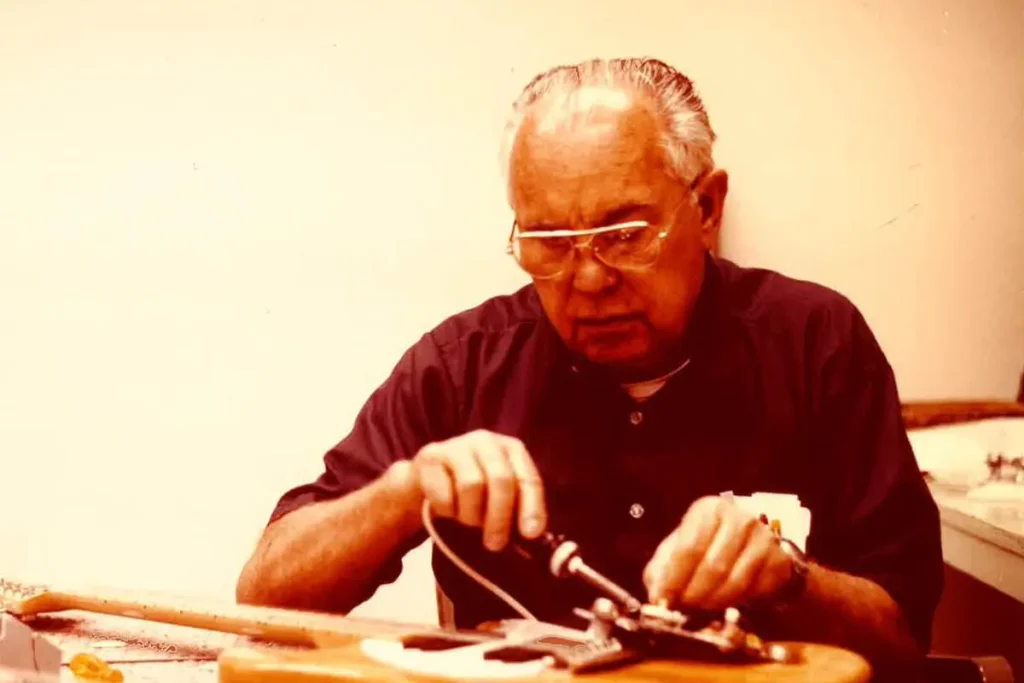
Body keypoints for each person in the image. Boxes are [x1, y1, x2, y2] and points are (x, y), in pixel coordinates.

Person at [236, 57, 943, 678]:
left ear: (706, 207)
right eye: (547, 241)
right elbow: (265, 599)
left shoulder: (814, 342)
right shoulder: (463, 365)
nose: (588, 279)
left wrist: (791, 582)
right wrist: (401, 491)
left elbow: (906, 647)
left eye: (624, 234)